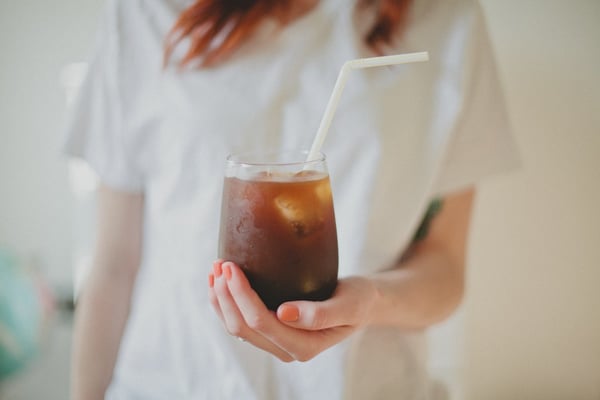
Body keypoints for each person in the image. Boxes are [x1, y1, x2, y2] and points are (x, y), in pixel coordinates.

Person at [64, 0, 519, 398]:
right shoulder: (144, 12)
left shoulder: (446, 18)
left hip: (368, 386)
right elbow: (114, 264)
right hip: (173, 381)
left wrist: (372, 300)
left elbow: (445, 264)